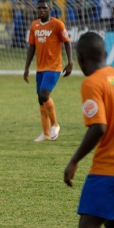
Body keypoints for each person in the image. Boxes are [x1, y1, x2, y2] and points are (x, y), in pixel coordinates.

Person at [64, 32, 114, 228]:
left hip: (106, 171)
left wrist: (74, 161)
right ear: (105, 53)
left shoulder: (92, 83)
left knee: (87, 225)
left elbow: (98, 127)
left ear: (81, 58)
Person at [23, 0, 73, 142]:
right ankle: (45, 133)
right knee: (40, 99)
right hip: (40, 68)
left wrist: (70, 62)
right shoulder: (35, 25)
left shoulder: (57, 24)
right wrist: (26, 67)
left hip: (54, 67)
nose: (41, 10)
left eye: (44, 8)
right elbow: (31, 47)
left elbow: (67, 42)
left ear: (50, 9)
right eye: (39, 8)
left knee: (44, 95)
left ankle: (55, 125)